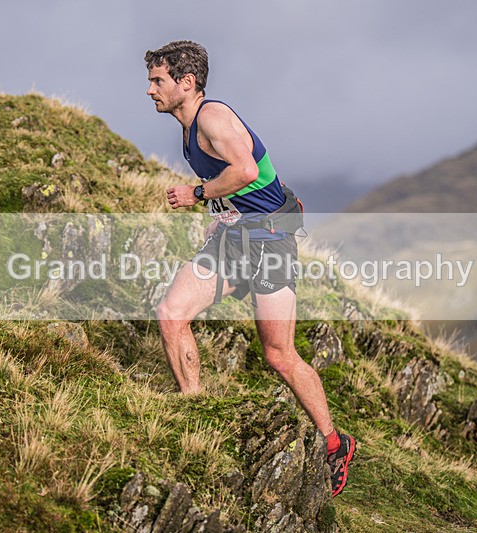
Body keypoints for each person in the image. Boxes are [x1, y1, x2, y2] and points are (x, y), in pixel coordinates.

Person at [145, 40, 355, 498]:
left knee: (279, 354)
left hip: (272, 242)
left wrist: (197, 194)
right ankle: (194, 411)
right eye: (150, 81)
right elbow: (238, 186)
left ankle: (336, 444)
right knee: (171, 313)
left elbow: (242, 170)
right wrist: (216, 215)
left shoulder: (212, 117)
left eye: (158, 80)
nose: (149, 90)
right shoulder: (187, 128)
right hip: (233, 239)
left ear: (187, 82)